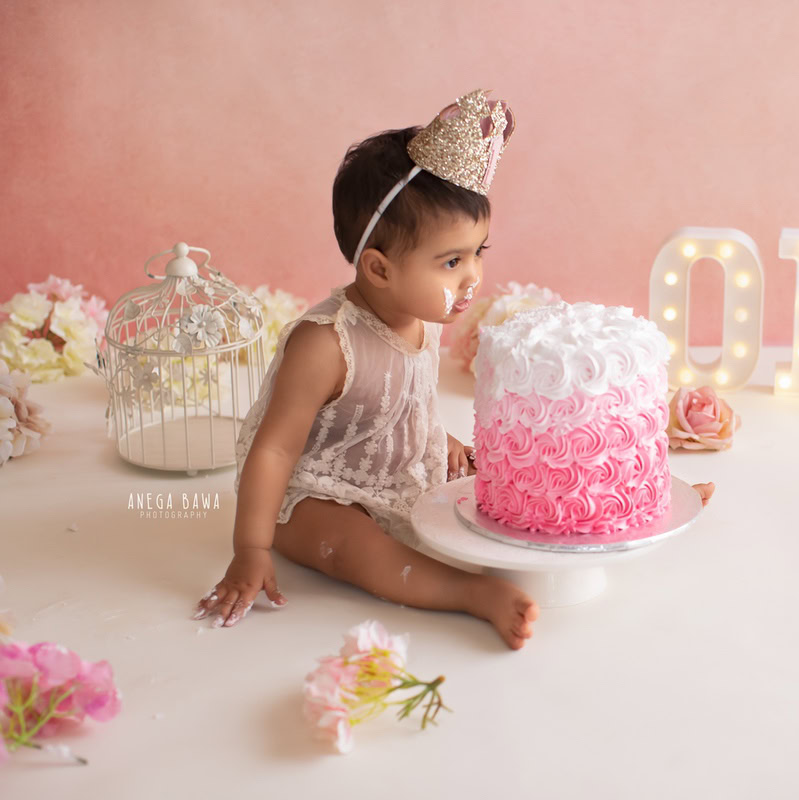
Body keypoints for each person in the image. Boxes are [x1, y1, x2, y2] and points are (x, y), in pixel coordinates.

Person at [192, 90, 715, 649]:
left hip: (388, 463)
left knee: (512, 476)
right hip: (313, 490)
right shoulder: (326, 343)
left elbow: (396, 405)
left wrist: (438, 441)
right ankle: (470, 593)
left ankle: (630, 503)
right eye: (451, 261)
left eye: (477, 253)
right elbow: (275, 449)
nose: (471, 278)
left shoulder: (424, 312)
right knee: (351, 544)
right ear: (379, 268)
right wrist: (251, 548)